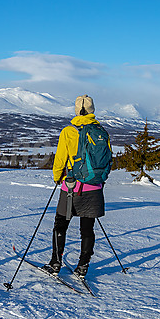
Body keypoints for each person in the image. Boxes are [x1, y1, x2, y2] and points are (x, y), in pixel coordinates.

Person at [42, 95, 107, 277]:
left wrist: (57, 178)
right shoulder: (100, 131)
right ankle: (83, 265)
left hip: (71, 187)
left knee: (60, 225)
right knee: (87, 229)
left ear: (77, 110)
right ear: (92, 109)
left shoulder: (69, 132)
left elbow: (60, 160)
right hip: (94, 187)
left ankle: (55, 262)